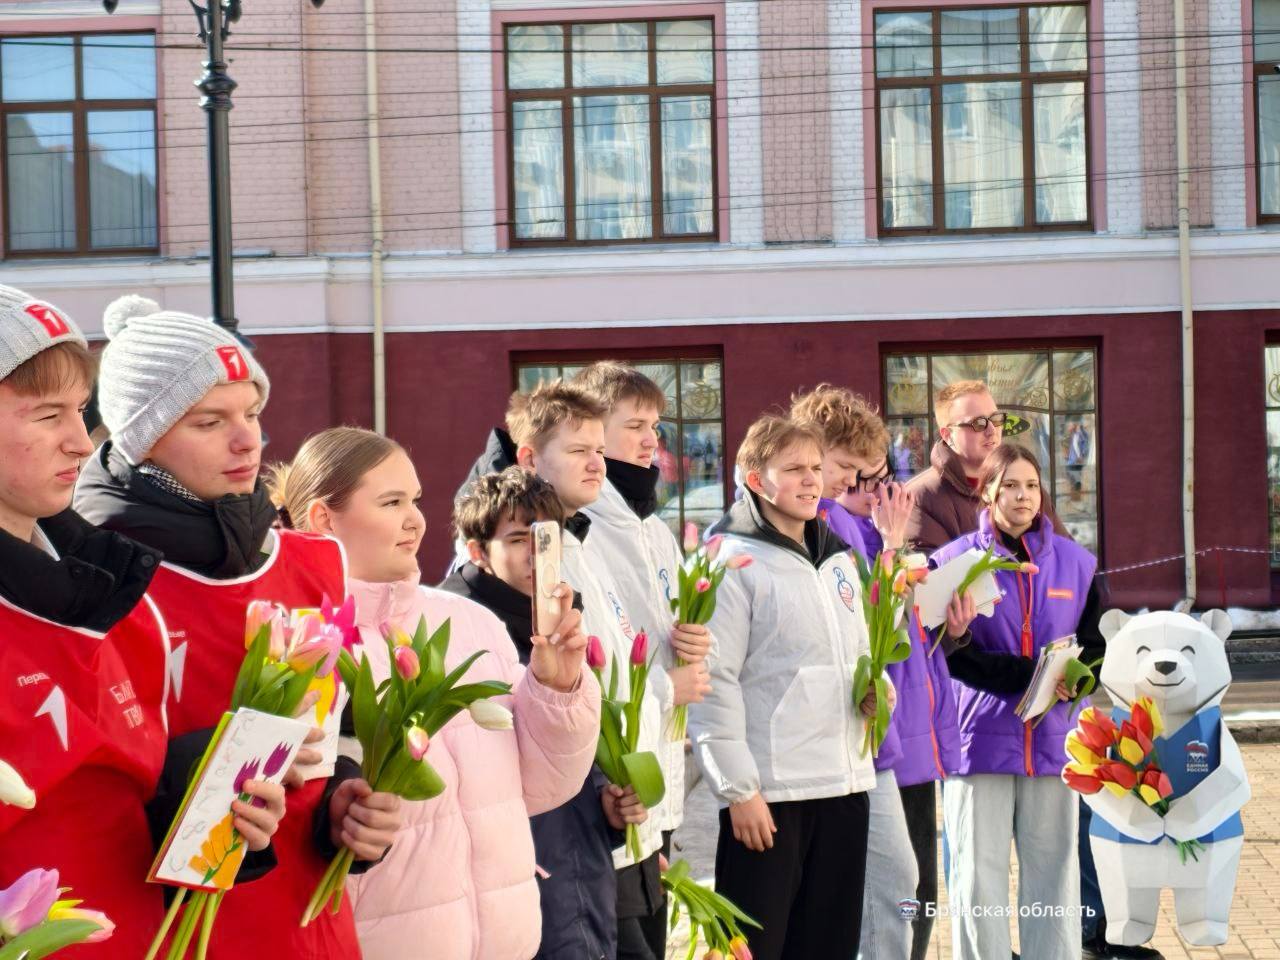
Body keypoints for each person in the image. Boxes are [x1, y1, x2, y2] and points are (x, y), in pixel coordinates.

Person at [76, 296, 398, 959]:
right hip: (173, 933)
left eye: (251, 412)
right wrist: (211, 780)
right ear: (143, 438)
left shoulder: (312, 563)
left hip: (309, 930)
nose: (249, 439)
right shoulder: (93, 579)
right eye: (209, 421)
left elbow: (328, 739)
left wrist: (342, 805)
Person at [0, 284, 284, 957]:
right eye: (46, 415)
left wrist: (223, 821)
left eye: (79, 410)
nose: (78, 439)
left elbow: (127, 833)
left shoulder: (115, 590)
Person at [270, 429, 600, 960]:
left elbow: (537, 787)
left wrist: (557, 687)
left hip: (507, 939)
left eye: (416, 500)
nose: (415, 519)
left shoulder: (468, 623)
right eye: (391, 501)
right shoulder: (301, 640)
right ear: (323, 519)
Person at [689, 415, 885, 960]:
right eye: (793, 468)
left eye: (817, 468)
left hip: (844, 787)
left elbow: (860, 656)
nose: (810, 480)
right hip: (770, 801)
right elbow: (713, 682)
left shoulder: (839, 558)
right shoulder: (731, 562)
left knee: (828, 946)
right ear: (755, 480)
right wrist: (739, 791)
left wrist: (876, 694)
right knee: (756, 949)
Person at [495, 381, 665, 956]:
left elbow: (613, 666)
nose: (597, 463)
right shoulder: (510, 559)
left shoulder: (581, 539)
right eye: (577, 451)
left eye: (599, 449)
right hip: (561, 838)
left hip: (610, 821)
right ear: (528, 458)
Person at [791, 385, 957, 960]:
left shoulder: (864, 526)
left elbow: (899, 637)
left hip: (900, 727)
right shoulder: (827, 526)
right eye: (854, 475)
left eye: (879, 473)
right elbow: (865, 629)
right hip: (867, 735)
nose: (871, 489)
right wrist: (892, 552)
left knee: (912, 888)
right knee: (892, 891)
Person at [932, 445, 1104, 960]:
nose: (1023, 496)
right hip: (978, 742)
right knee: (977, 879)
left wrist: (1079, 678)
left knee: (1054, 877)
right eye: (1010, 485)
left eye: (1031, 485)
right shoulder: (957, 561)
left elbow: (1094, 646)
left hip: (1051, 742)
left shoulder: (1077, 563)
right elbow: (945, 652)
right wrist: (1027, 674)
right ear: (988, 491)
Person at [441, 466, 619, 960]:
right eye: (518, 538)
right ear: (477, 551)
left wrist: (610, 796)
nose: (537, 555)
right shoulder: (456, 629)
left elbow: (577, 740)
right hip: (511, 875)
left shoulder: (566, 618)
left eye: (547, 536)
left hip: (581, 859)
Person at [572, 362, 715, 960]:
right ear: (595, 435)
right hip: (613, 778)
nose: (651, 438)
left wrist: (692, 642)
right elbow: (601, 655)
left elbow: (652, 633)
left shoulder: (653, 528)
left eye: (655, 424)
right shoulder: (582, 529)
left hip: (658, 766)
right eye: (635, 424)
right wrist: (664, 686)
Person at [905, 380, 1068, 554]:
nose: (992, 430)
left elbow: (1068, 559)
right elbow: (934, 575)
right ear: (948, 435)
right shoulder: (919, 499)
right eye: (978, 423)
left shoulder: (1027, 486)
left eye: (995, 419)